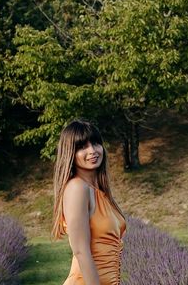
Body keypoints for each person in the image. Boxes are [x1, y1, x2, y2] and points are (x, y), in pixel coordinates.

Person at [52, 119, 126, 285]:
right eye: (82, 147)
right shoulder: (77, 188)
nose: (92, 151)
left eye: (95, 143)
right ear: (70, 153)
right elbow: (80, 251)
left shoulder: (99, 192)